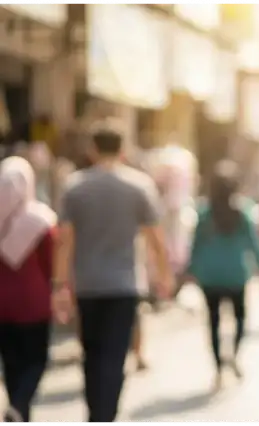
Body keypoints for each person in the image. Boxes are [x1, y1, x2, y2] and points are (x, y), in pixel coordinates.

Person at [52, 125, 174, 424]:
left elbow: (64, 240)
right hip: (124, 284)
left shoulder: (75, 186)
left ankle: (96, 412)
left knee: (91, 353)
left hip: (88, 284)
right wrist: (164, 274)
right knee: (115, 355)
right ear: (123, 150)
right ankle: (106, 414)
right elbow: (156, 238)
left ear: (92, 149)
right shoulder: (139, 186)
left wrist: (59, 286)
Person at [187, 160, 259, 389]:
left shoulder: (204, 212)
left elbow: (195, 245)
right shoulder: (243, 211)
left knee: (213, 321)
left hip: (209, 275)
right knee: (240, 319)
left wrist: (190, 270)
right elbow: (255, 243)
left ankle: (218, 368)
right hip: (236, 274)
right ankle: (233, 354)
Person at [0, 157, 57, 423]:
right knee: (37, 359)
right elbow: (52, 263)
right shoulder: (40, 219)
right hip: (34, 303)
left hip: (2, 306)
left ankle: (18, 410)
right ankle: (20, 405)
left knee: (11, 364)